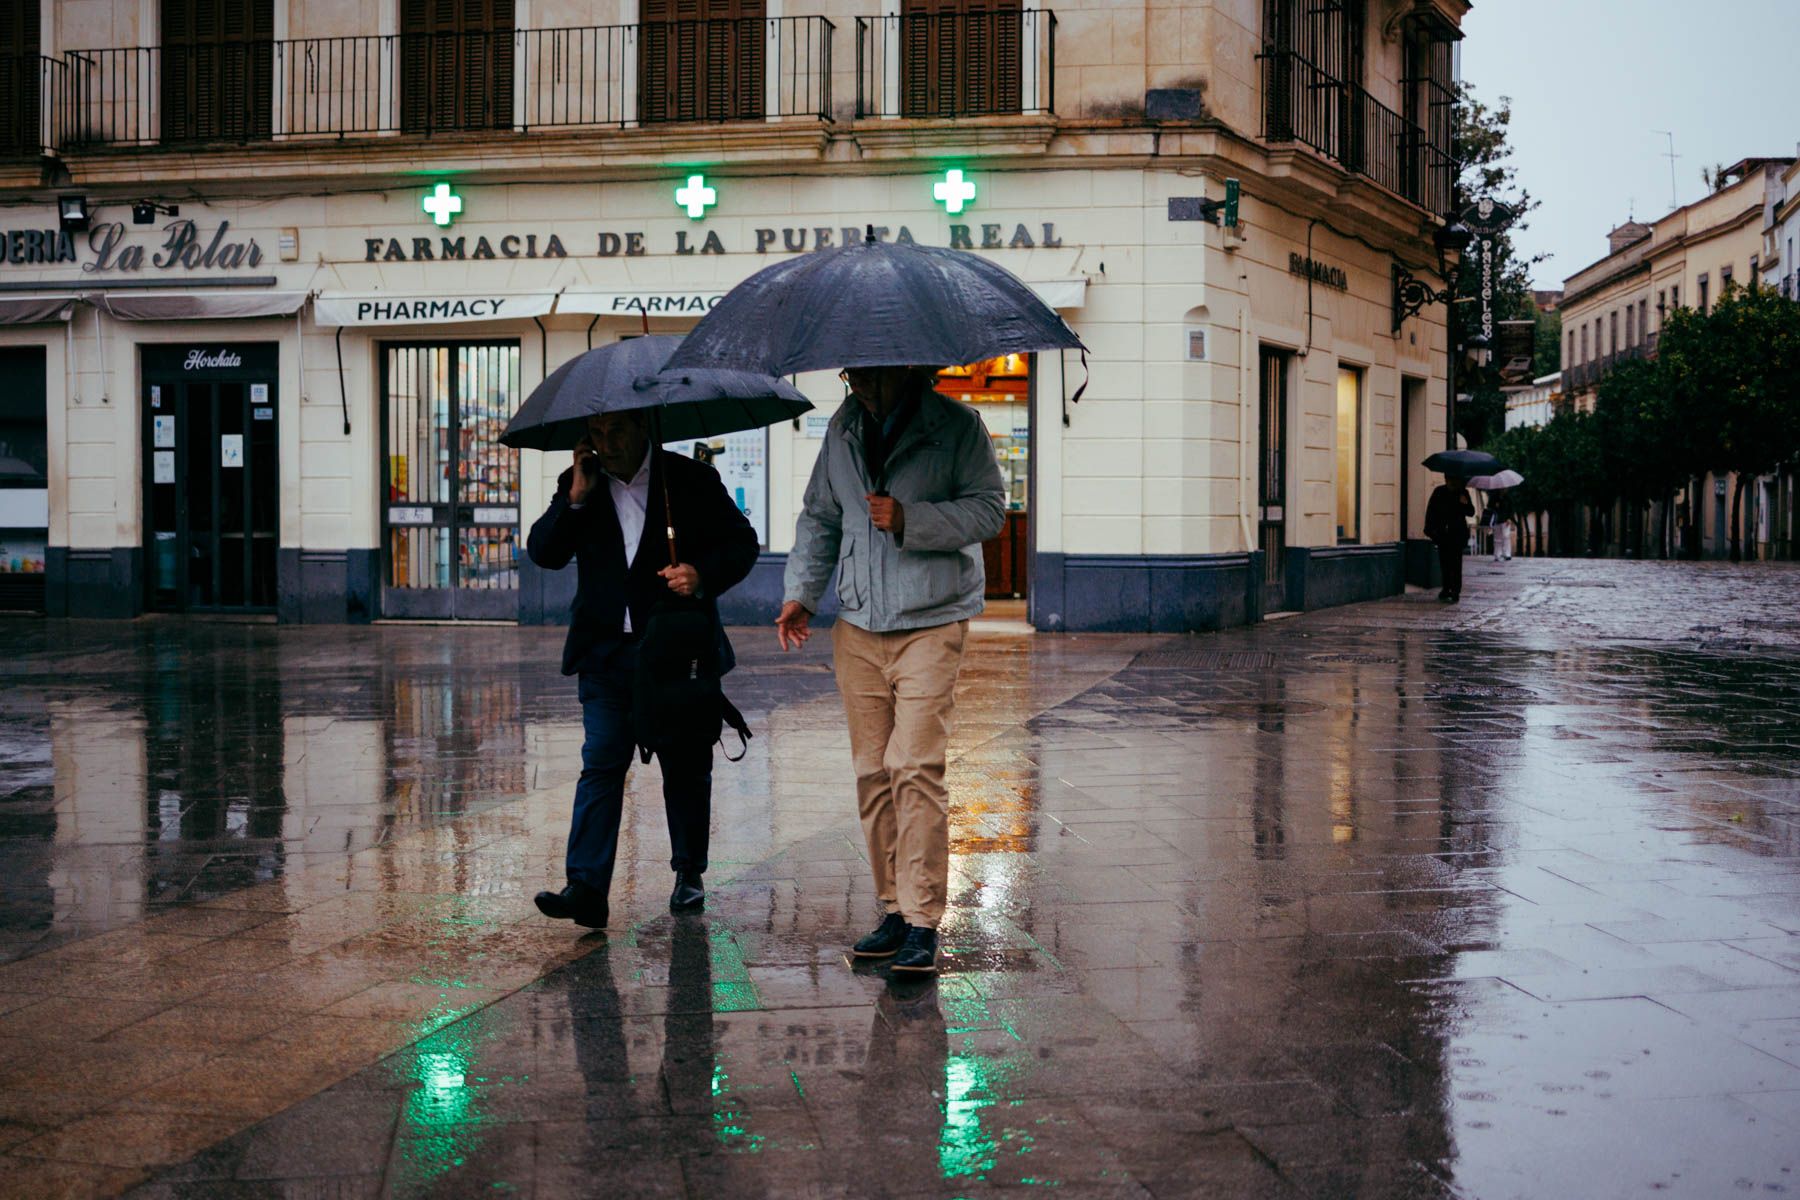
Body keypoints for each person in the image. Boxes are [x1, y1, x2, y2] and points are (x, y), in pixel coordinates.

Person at [774, 365, 1005, 975]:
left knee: (916, 767)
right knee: (873, 771)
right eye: (854, 373)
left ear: (910, 368)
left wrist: (911, 519)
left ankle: (924, 919)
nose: (861, 384)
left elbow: (989, 512)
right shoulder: (844, 427)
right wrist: (802, 592)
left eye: (872, 374)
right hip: (857, 622)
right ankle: (894, 908)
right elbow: (820, 518)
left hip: (931, 617)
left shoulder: (957, 426)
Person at [527, 409, 759, 929]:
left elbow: (743, 545)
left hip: (676, 654)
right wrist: (576, 498)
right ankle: (586, 887)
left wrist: (701, 576)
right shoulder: (579, 483)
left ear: (642, 430)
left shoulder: (690, 480)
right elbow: (543, 552)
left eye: (616, 432)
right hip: (606, 655)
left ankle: (688, 873)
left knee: (684, 765)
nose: (606, 444)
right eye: (597, 434)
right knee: (603, 763)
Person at [1425, 474, 1475, 603]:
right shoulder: (1439, 491)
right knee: (1445, 562)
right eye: (1450, 479)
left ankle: (1456, 591)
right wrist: (1431, 529)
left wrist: (1464, 503)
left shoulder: (1463, 492)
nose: (1452, 482)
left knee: (1456, 563)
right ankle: (1446, 588)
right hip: (1443, 533)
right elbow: (1431, 510)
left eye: (1455, 480)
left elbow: (1471, 512)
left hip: (1457, 533)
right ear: (1446, 479)